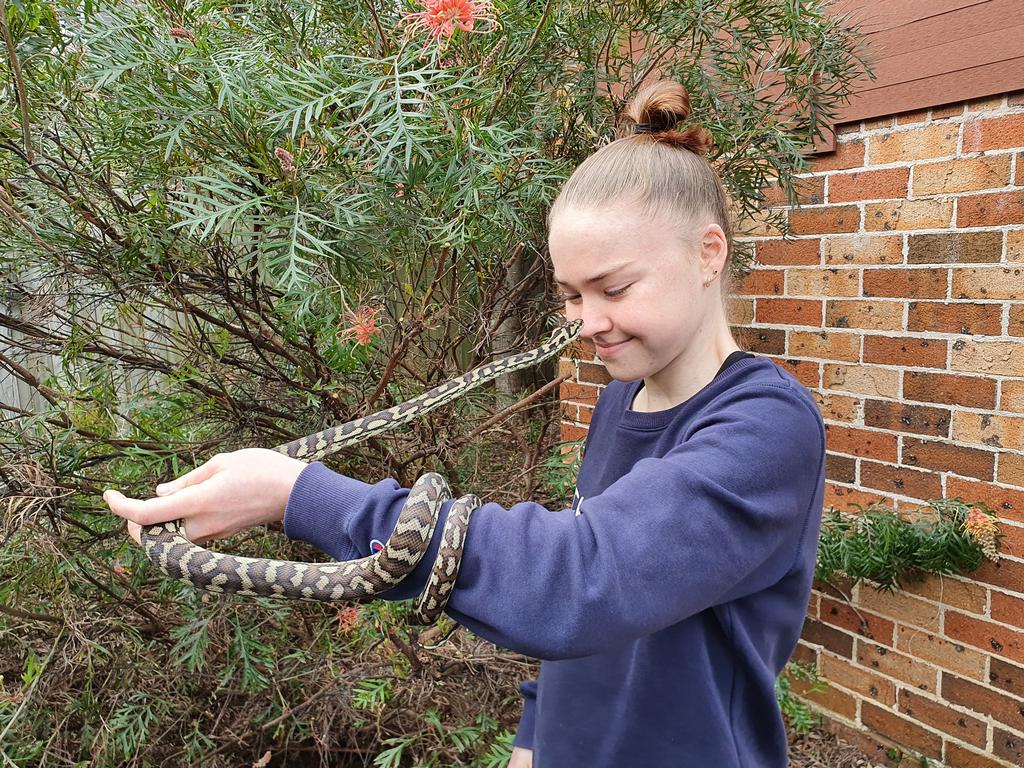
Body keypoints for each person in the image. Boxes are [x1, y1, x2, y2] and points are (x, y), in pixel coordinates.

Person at [104, 79, 826, 768]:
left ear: (708, 253)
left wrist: (297, 494)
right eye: (571, 294)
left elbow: (584, 582)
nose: (587, 322)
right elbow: (586, 592)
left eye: (614, 287)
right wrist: (538, 730)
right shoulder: (621, 402)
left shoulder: (765, 431)